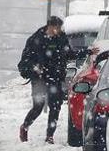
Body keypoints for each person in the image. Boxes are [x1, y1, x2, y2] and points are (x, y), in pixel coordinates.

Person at [17, 15, 71, 143]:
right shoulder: (36, 39)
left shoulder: (61, 38)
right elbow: (25, 60)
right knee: (38, 106)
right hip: (39, 78)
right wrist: (35, 67)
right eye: (57, 28)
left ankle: (50, 136)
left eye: (60, 28)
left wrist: (87, 52)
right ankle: (25, 126)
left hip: (55, 76)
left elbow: (69, 53)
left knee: (55, 106)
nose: (59, 30)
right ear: (50, 26)